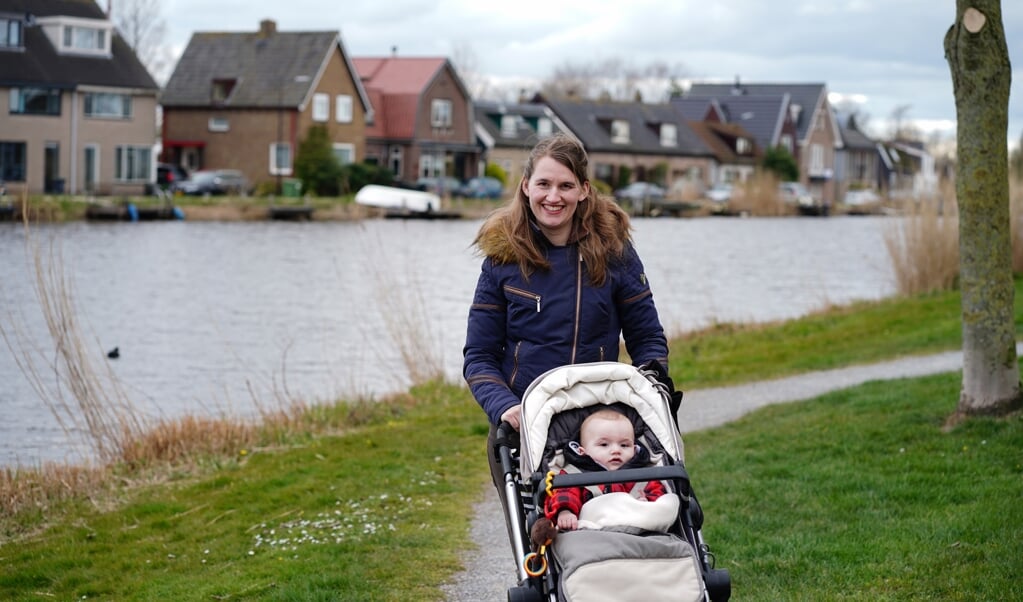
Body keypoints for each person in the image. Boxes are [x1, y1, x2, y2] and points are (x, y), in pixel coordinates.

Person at [462, 132, 671, 491]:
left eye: (565, 185)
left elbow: (647, 337)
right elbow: (479, 356)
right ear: (526, 187)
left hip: (601, 421)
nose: (553, 197)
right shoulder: (502, 259)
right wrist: (506, 409)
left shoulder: (614, 253)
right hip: (525, 424)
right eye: (543, 184)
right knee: (539, 537)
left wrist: (652, 386)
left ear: (584, 190)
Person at [544, 408, 666, 531]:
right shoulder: (575, 475)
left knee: (671, 502)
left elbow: (657, 492)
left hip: (636, 531)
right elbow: (565, 493)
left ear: (634, 449)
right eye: (604, 445)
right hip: (593, 533)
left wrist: (648, 502)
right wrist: (565, 511)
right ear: (582, 451)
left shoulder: (642, 476)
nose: (616, 450)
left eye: (624, 445)